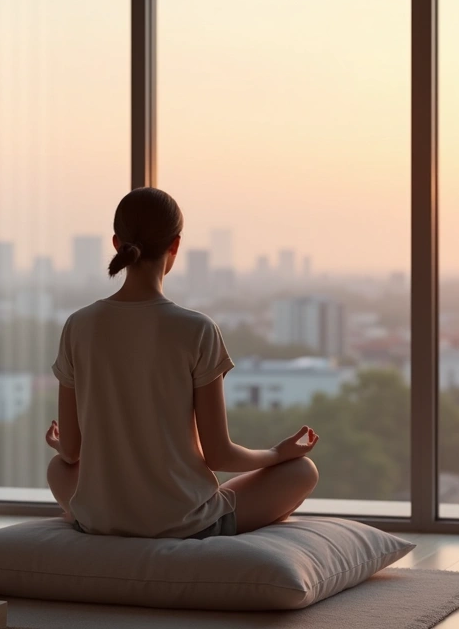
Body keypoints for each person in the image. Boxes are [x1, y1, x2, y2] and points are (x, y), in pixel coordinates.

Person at [44, 187, 319, 539]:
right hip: (185, 522)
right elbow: (219, 456)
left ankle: (100, 517)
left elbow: (70, 453)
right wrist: (277, 453)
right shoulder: (197, 329)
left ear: (117, 243)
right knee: (302, 472)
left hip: (101, 519)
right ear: (175, 245)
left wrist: (58, 442)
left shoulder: (78, 325)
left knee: (57, 469)